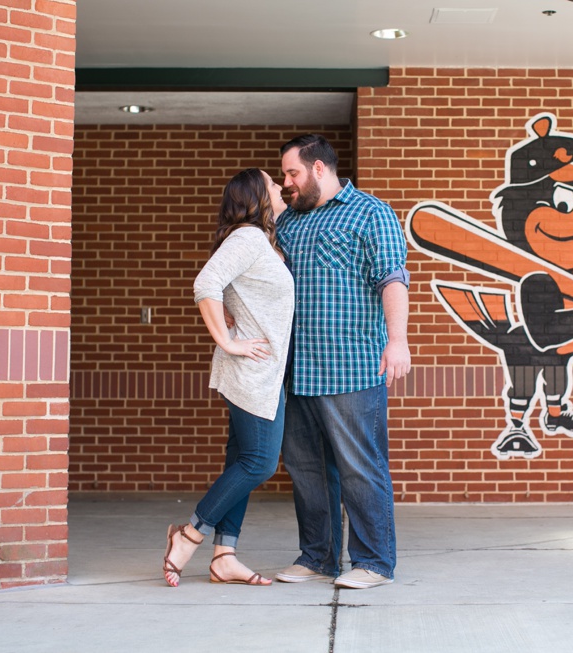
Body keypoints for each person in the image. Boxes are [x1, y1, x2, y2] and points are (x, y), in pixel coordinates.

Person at [273, 134, 411, 590]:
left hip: (351, 367)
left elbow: (392, 278)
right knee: (308, 472)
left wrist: (398, 341)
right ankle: (318, 558)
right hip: (297, 370)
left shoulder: (371, 213)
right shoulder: (289, 222)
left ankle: (374, 563)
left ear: (317, 169)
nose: (286, 182)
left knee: (360, 467)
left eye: (292, 173)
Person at [162, 168, 294, 587]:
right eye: (273, 184)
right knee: (259, 463)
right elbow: (207, 283)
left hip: (266, 372)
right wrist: (228, 340)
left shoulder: (265, 243)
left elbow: (240, 294)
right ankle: (189, 534)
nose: (281, 187)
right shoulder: (247, 238)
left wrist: (235, 320)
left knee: (242, 460)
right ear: (257, 195)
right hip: (249, 370)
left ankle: (225, 557)